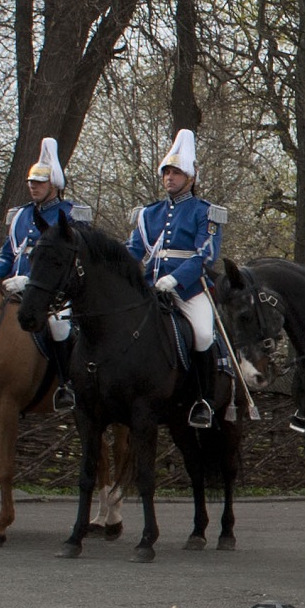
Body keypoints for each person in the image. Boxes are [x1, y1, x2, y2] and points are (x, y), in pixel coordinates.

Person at [126, 129, 227, 429]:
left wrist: (176, 280)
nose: (169, 177)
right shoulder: (148, 214)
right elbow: (133, 251)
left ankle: (203, 401)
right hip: (150, 286)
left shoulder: (205, 212)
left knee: (204, 334)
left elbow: (205, 256)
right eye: (166, 172)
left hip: (190, 289)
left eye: (176, 172)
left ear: (191, 177)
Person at [0, 137, 92, 411]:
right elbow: (7, 253)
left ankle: (65, 385)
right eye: (31, 182)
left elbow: (76, 257)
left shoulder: (71, 214)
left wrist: (30, 280)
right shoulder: (20, 215)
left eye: (39, 183)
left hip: (54, 292)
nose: (33, 187)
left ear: (54, 185)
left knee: (59, 325)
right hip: (14, 287)